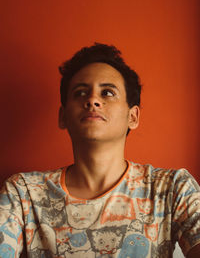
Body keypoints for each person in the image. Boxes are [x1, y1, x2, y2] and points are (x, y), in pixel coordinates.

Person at [0, 43, 200, 258]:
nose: (92, 100)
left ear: (132, 117)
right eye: (80, 92)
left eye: (107, 92)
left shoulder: (172, 189)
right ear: (63, 117)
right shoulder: (23, 194)